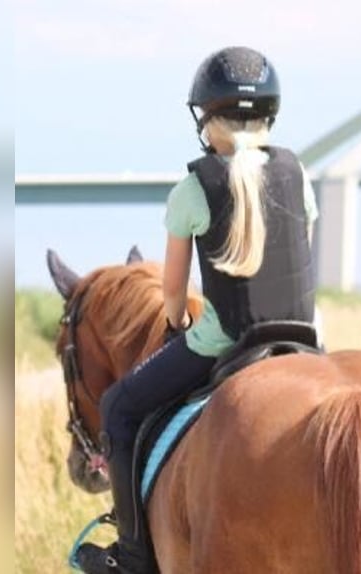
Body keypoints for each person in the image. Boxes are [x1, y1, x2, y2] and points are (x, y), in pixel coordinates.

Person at [75, 46, 319, 574]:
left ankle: (132, 556)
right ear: (268, 116)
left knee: (118, 408)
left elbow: (171, 289)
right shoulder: (299, 175)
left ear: (208, 119)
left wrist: (176, 322)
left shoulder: (194, 187)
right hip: (305, 338)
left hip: (223, 341)